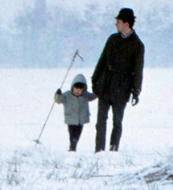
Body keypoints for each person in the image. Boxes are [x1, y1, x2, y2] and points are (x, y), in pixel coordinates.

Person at [91, 8, 144, 152]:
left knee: (117, 123)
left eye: (118, 22)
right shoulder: (112, 39)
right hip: (105, 86)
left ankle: (113, 151)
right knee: (100, 122)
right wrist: (94, 80)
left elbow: (138, 71)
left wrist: (136, 91)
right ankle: (99, 151)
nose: (116, 24)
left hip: (122, 89)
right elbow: (101, 61)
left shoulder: (138, 45)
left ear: (126, 24)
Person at [54, 74, 98, 151]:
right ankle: (72, 146)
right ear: (72, 88)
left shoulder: (86, 95)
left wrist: (98, 91)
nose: (77, 91)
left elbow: (93, 96)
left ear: (83, 89)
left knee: (78, 134)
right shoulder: (67, 95)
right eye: (76, 88)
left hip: (81, 120)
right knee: (72, 134)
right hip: (71, 119)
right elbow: (58, 100)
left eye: (80, 89)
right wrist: (57, 94)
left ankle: (74, 144)